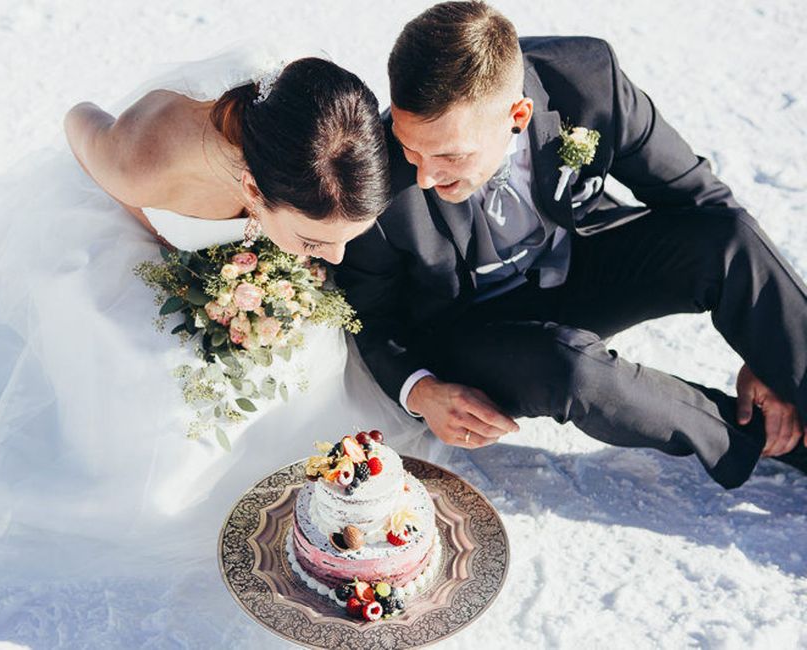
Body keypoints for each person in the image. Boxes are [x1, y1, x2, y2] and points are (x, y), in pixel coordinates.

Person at [0, 46, 433, 586]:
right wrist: (152, 221)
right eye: (314, 241)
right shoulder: (139, 159)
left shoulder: (325, 144)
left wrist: (287, 256)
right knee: (151, 368)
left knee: (306, 344)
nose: (336, 260)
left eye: (345, 238)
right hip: (116, 236)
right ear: (252, 188)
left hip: (235, 246)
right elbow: (77, 120)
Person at [336, 1, 807, 489]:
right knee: (575, 367)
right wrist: (422, 391)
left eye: (449, 155)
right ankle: (772, 440)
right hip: (469, 329)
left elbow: (702, 201)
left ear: (518, 115)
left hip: (575, 265)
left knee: (730, 241)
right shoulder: (375, 175)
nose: (426, 176)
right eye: (411, 147)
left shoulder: (586, 81)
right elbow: (371, 318)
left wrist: (767, 354)